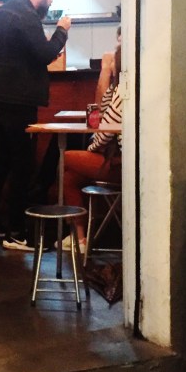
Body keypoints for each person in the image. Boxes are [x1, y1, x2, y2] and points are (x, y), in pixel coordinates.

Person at [0, 0, 70, 251]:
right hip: (18, 100)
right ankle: (16, 232)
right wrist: (62, 30)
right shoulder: (26, 15)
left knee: (4, 160)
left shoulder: (0, 13)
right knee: (22, 165)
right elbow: (45, 54)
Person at [62, 43, 123, 252]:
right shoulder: (119, 90)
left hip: (121, 165)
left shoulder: (124, 94)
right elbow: (102, 110)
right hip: (119, 161)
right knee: (70, 177)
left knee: (65, 158)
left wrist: (90, 149)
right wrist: (106, 74)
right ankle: (80, 240)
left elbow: (103, 134)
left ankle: (78, 238)